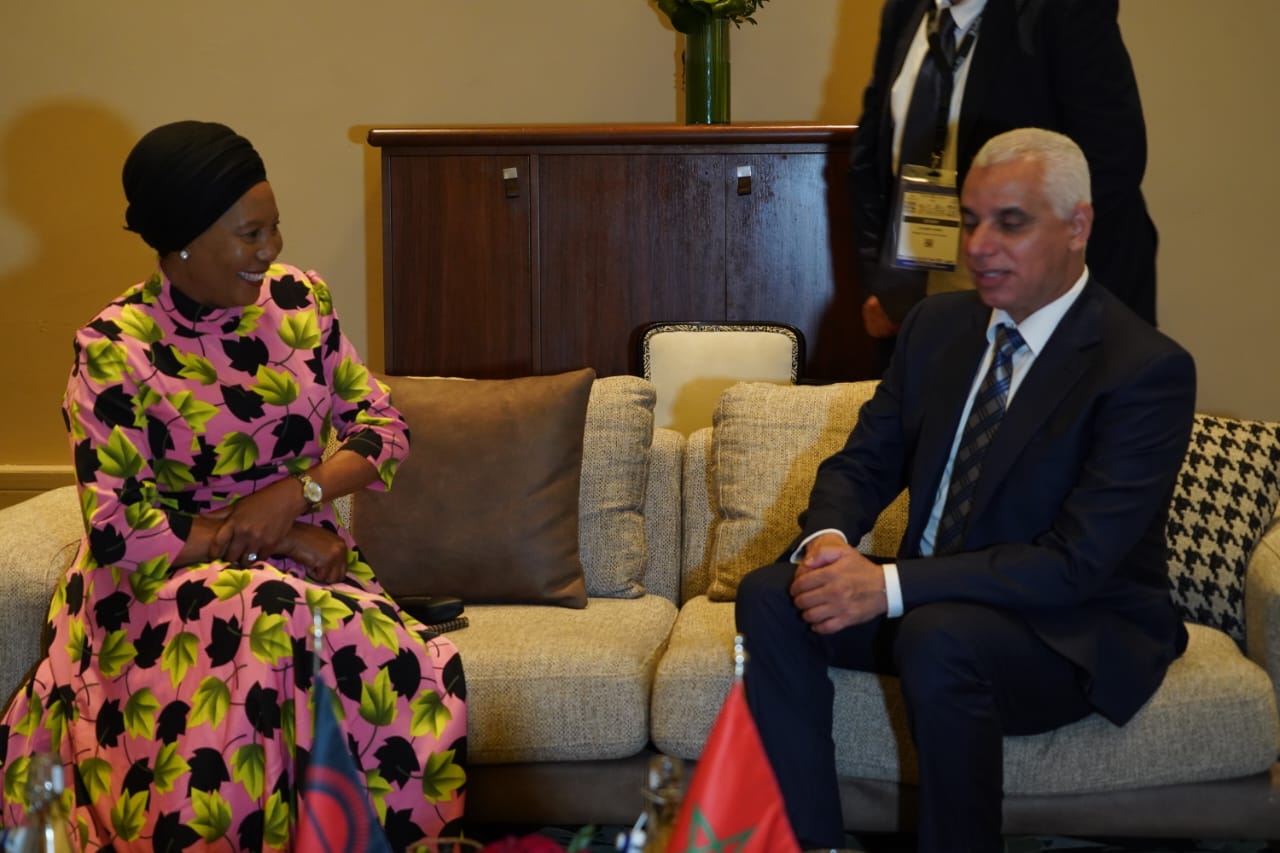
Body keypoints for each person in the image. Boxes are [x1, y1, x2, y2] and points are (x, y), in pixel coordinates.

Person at [0, 121, 467, 851]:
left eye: (274, 227)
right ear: (183, 241)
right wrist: (276, 535)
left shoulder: (302, 301)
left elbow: (383, 428)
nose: (271, 248)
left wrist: (299, 494)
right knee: (268, 626)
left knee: (408, 662)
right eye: (251, 234)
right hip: (162, 585)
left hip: (304, 569)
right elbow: (122, 529)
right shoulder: (115, 349)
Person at [736, 128, 1195, 852]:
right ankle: (811, 843)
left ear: (1077, 225)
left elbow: (1075, 565)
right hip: (936, 603)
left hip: (1067, 628)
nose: (978, 246)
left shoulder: (1143, 368)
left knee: (938, 634)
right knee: (774, 594)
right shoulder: (937, 327)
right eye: (970, 220)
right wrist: (827, 543)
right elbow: (864, 462)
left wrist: (886, 586)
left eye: (1010, 222)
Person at [852, 0, 1158, 372]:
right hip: (924, 297)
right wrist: (884, 285)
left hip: (1047, 301)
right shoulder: (905, 10)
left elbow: (1113, 158)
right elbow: (868, 157)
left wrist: (1030, 288)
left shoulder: (1064, 9)